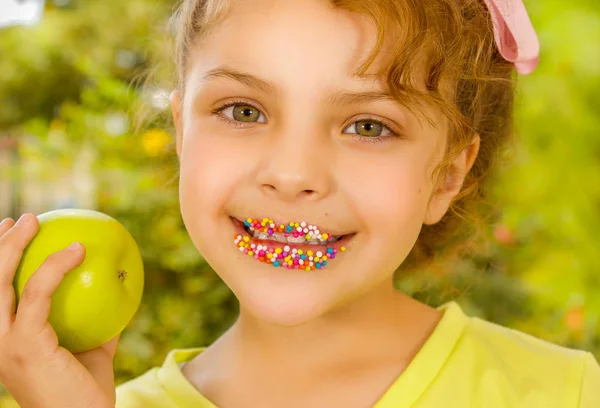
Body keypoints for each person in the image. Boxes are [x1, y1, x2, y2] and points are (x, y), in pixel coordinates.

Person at [0, 0, 598, 407]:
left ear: (445, 177)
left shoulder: (564, 392)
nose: (292, 175)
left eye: (368, 126)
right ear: (182, 133)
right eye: (243, 112)